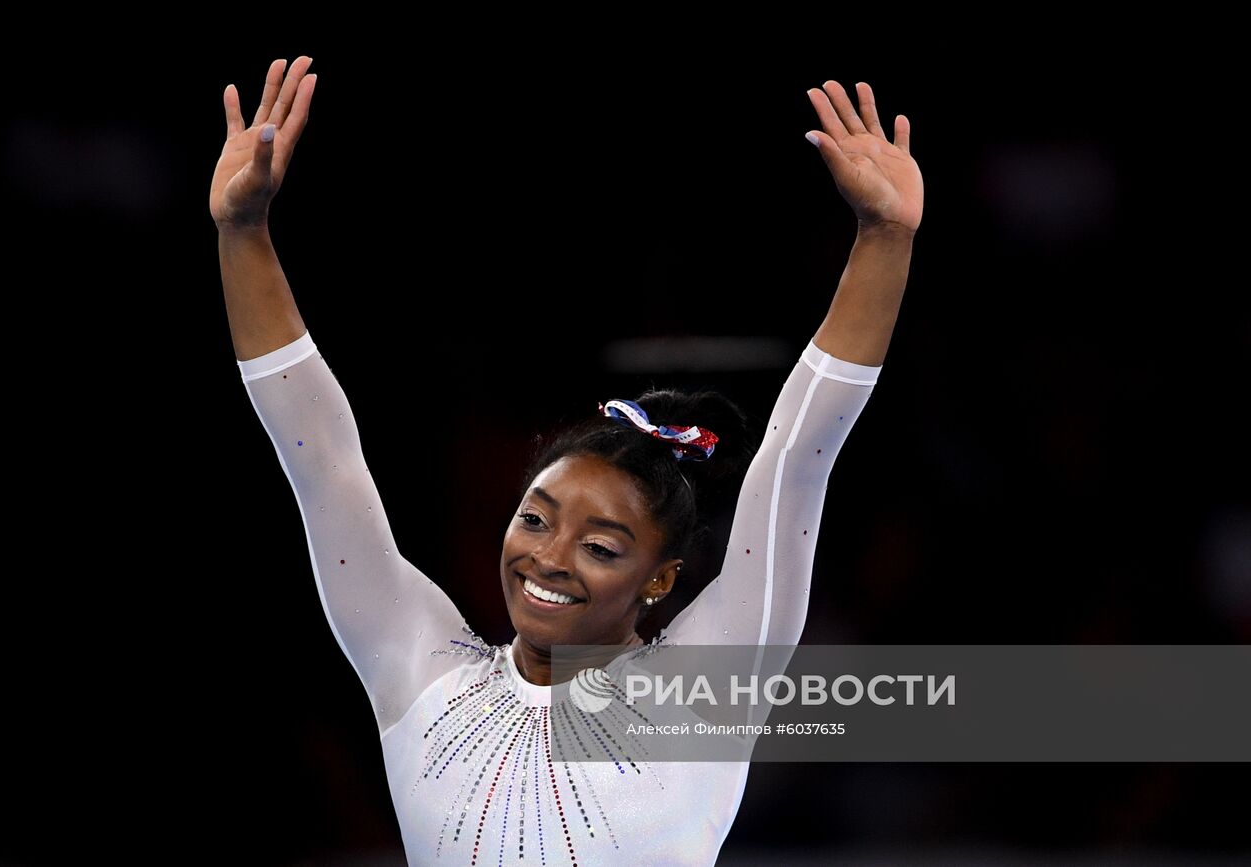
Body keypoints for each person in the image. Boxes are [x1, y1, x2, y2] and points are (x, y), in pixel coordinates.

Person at [211, 56, 921, 867]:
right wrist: (243, 232)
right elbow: (320, 456)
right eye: (536, 518)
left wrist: (885, 238)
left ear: (660, 578)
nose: (548, 556)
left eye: (601, 545)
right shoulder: (419, 664)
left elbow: (799, 454)